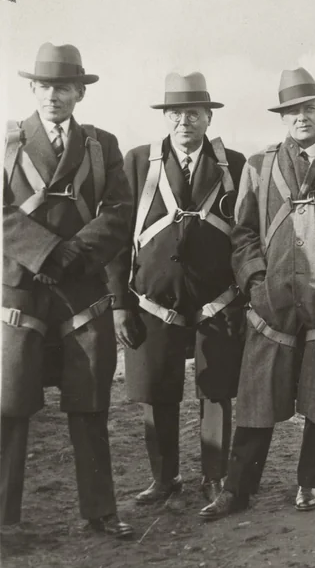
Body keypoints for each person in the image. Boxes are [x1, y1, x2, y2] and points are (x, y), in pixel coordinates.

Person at [200, 68, 315, 519]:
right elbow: (242, 233)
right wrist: (255, 283)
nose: (301, 117)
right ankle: (237, 490)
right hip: (271, 303)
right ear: (282, 117)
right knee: (256, 395)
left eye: (309, 108)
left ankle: (310, 483)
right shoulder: (260, 167)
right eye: (292, 111)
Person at [2, 43, 135, 539]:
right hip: (22, 289)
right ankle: (4, 520)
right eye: (43, 86)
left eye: (62, 87)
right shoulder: (9, 142)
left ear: (80, 92)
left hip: (82, 288)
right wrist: (45, 251)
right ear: (32, 90)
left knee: (90, 402)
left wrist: (75, 251)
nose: (52, 95)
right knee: (9, 405)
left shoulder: (102, 145)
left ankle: (100, 511)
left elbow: (121, 212)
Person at [109, 73, 246, 507]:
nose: (184, 121)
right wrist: (119, 305)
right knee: (156, 390)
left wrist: (244, 297)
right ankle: (164, 478)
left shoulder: (236, 166)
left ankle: (214, 478)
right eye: (176, 113)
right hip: (152, 302)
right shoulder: (136, 163)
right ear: (165, 118)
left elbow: (248, 235)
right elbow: (115, 239)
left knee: (217, 391)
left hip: (218, 302)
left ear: (208, 117)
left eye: (193, 113)